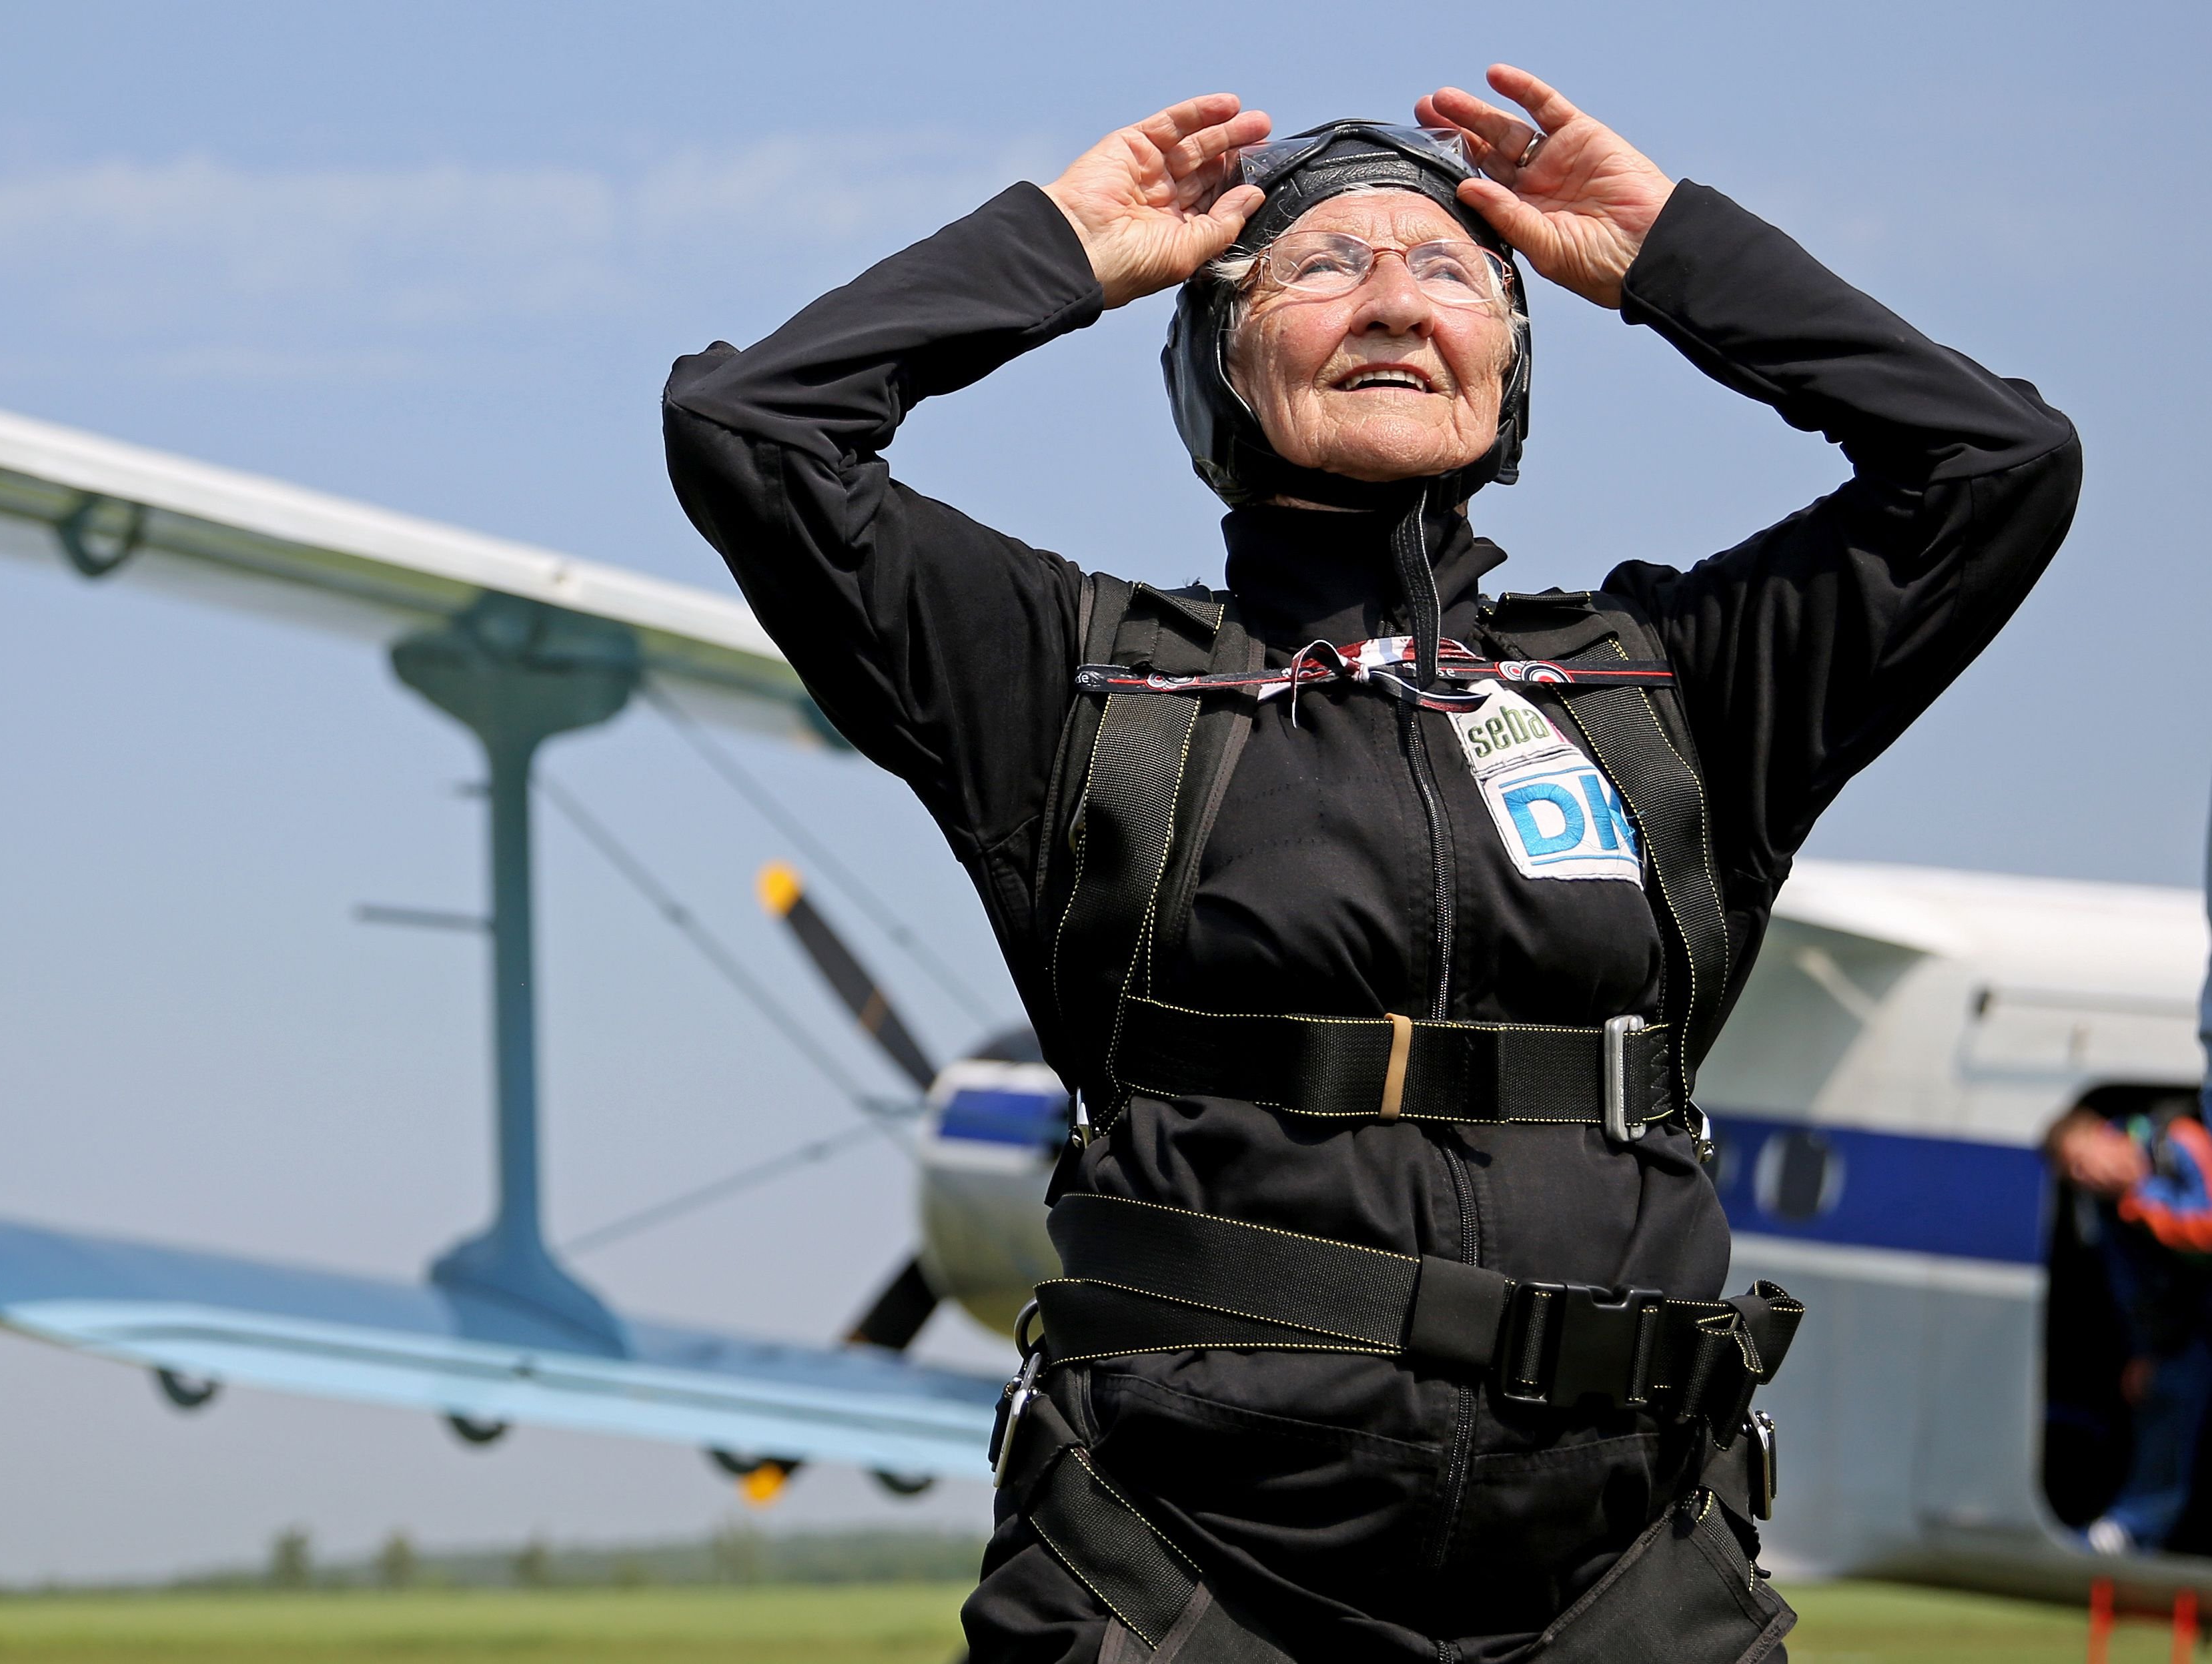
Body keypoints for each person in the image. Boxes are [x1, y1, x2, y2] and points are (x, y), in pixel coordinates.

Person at [665, 66, 2078, 1664]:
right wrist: (1059, 247)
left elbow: (1994, 464)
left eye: (1451, 271)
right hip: (1178, 1587)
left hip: (1627, 1593)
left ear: (1507, 365)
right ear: (1217, 356)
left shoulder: (1665, 693)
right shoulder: (1078, 688)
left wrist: (1671, 252)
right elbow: (748, 426)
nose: (1394, 302)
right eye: (1322, 266)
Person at [2050, 1096, 2212, 1555]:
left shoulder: (2175, 1140)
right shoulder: (2109, 1207)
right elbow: (2134, 1290)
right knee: (2168, 1388)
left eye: (2082, 1162)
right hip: (2191, 1325)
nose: (2086, 1177)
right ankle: (2132, 1529)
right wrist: (2146, 1354)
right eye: (2074, 1175)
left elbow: (2208, 1222)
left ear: (2106, 1135)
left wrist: (2143, 1201)